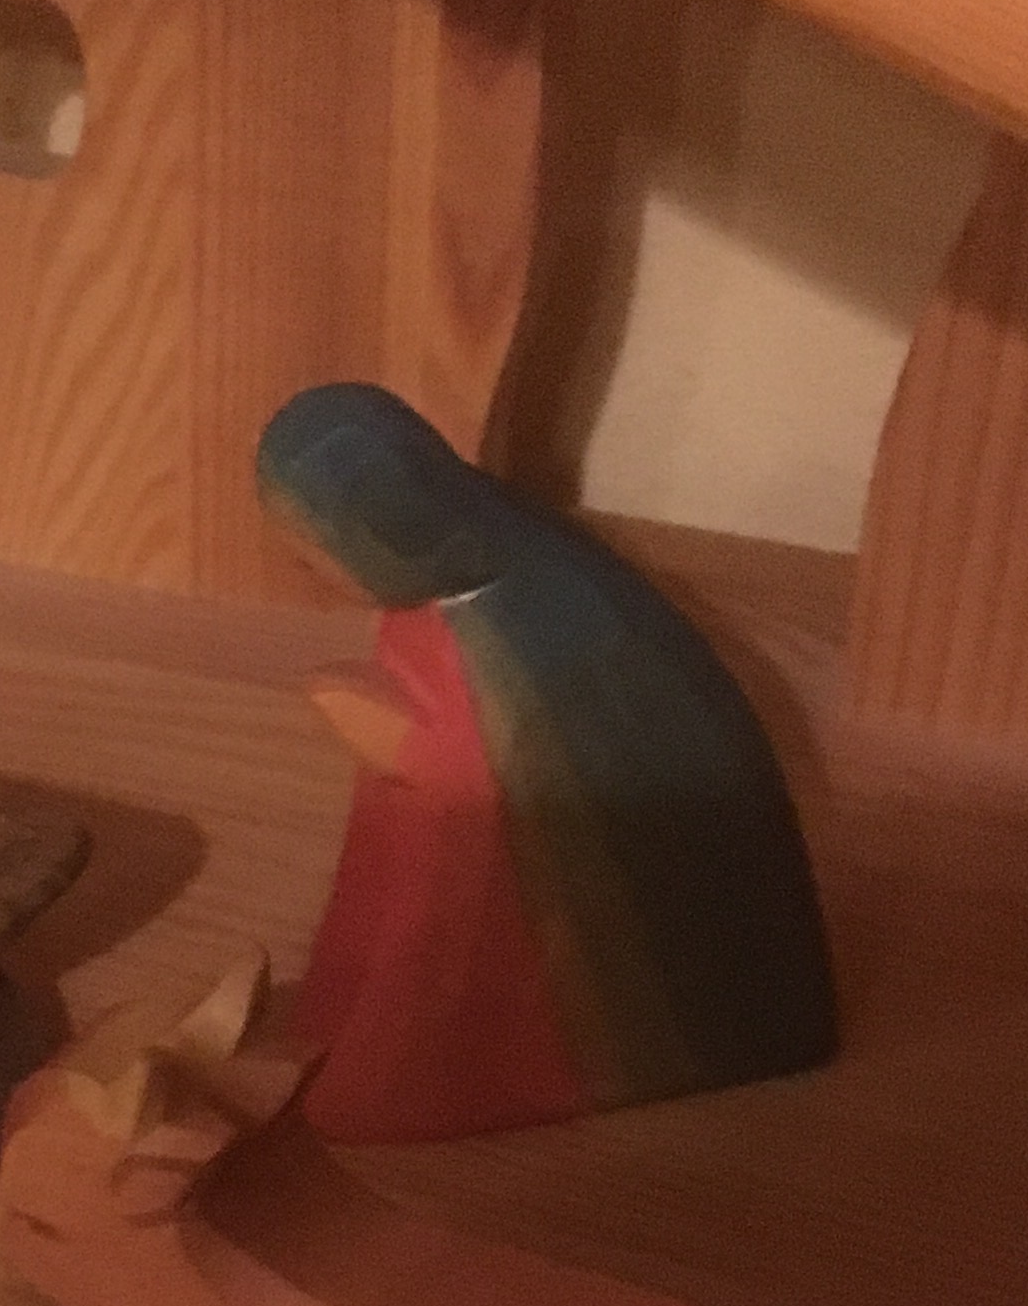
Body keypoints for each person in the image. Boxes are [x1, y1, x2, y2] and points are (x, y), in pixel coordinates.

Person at [254, 383, 835, 1143]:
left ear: (385, 525)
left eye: (312, 552)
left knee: (388, 1070)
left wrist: (380, 729)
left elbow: (507, 768)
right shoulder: (454, 582)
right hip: (530, 852)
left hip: (614, 922)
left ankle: (430, 1072)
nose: (306, 572)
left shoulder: (521, 609)